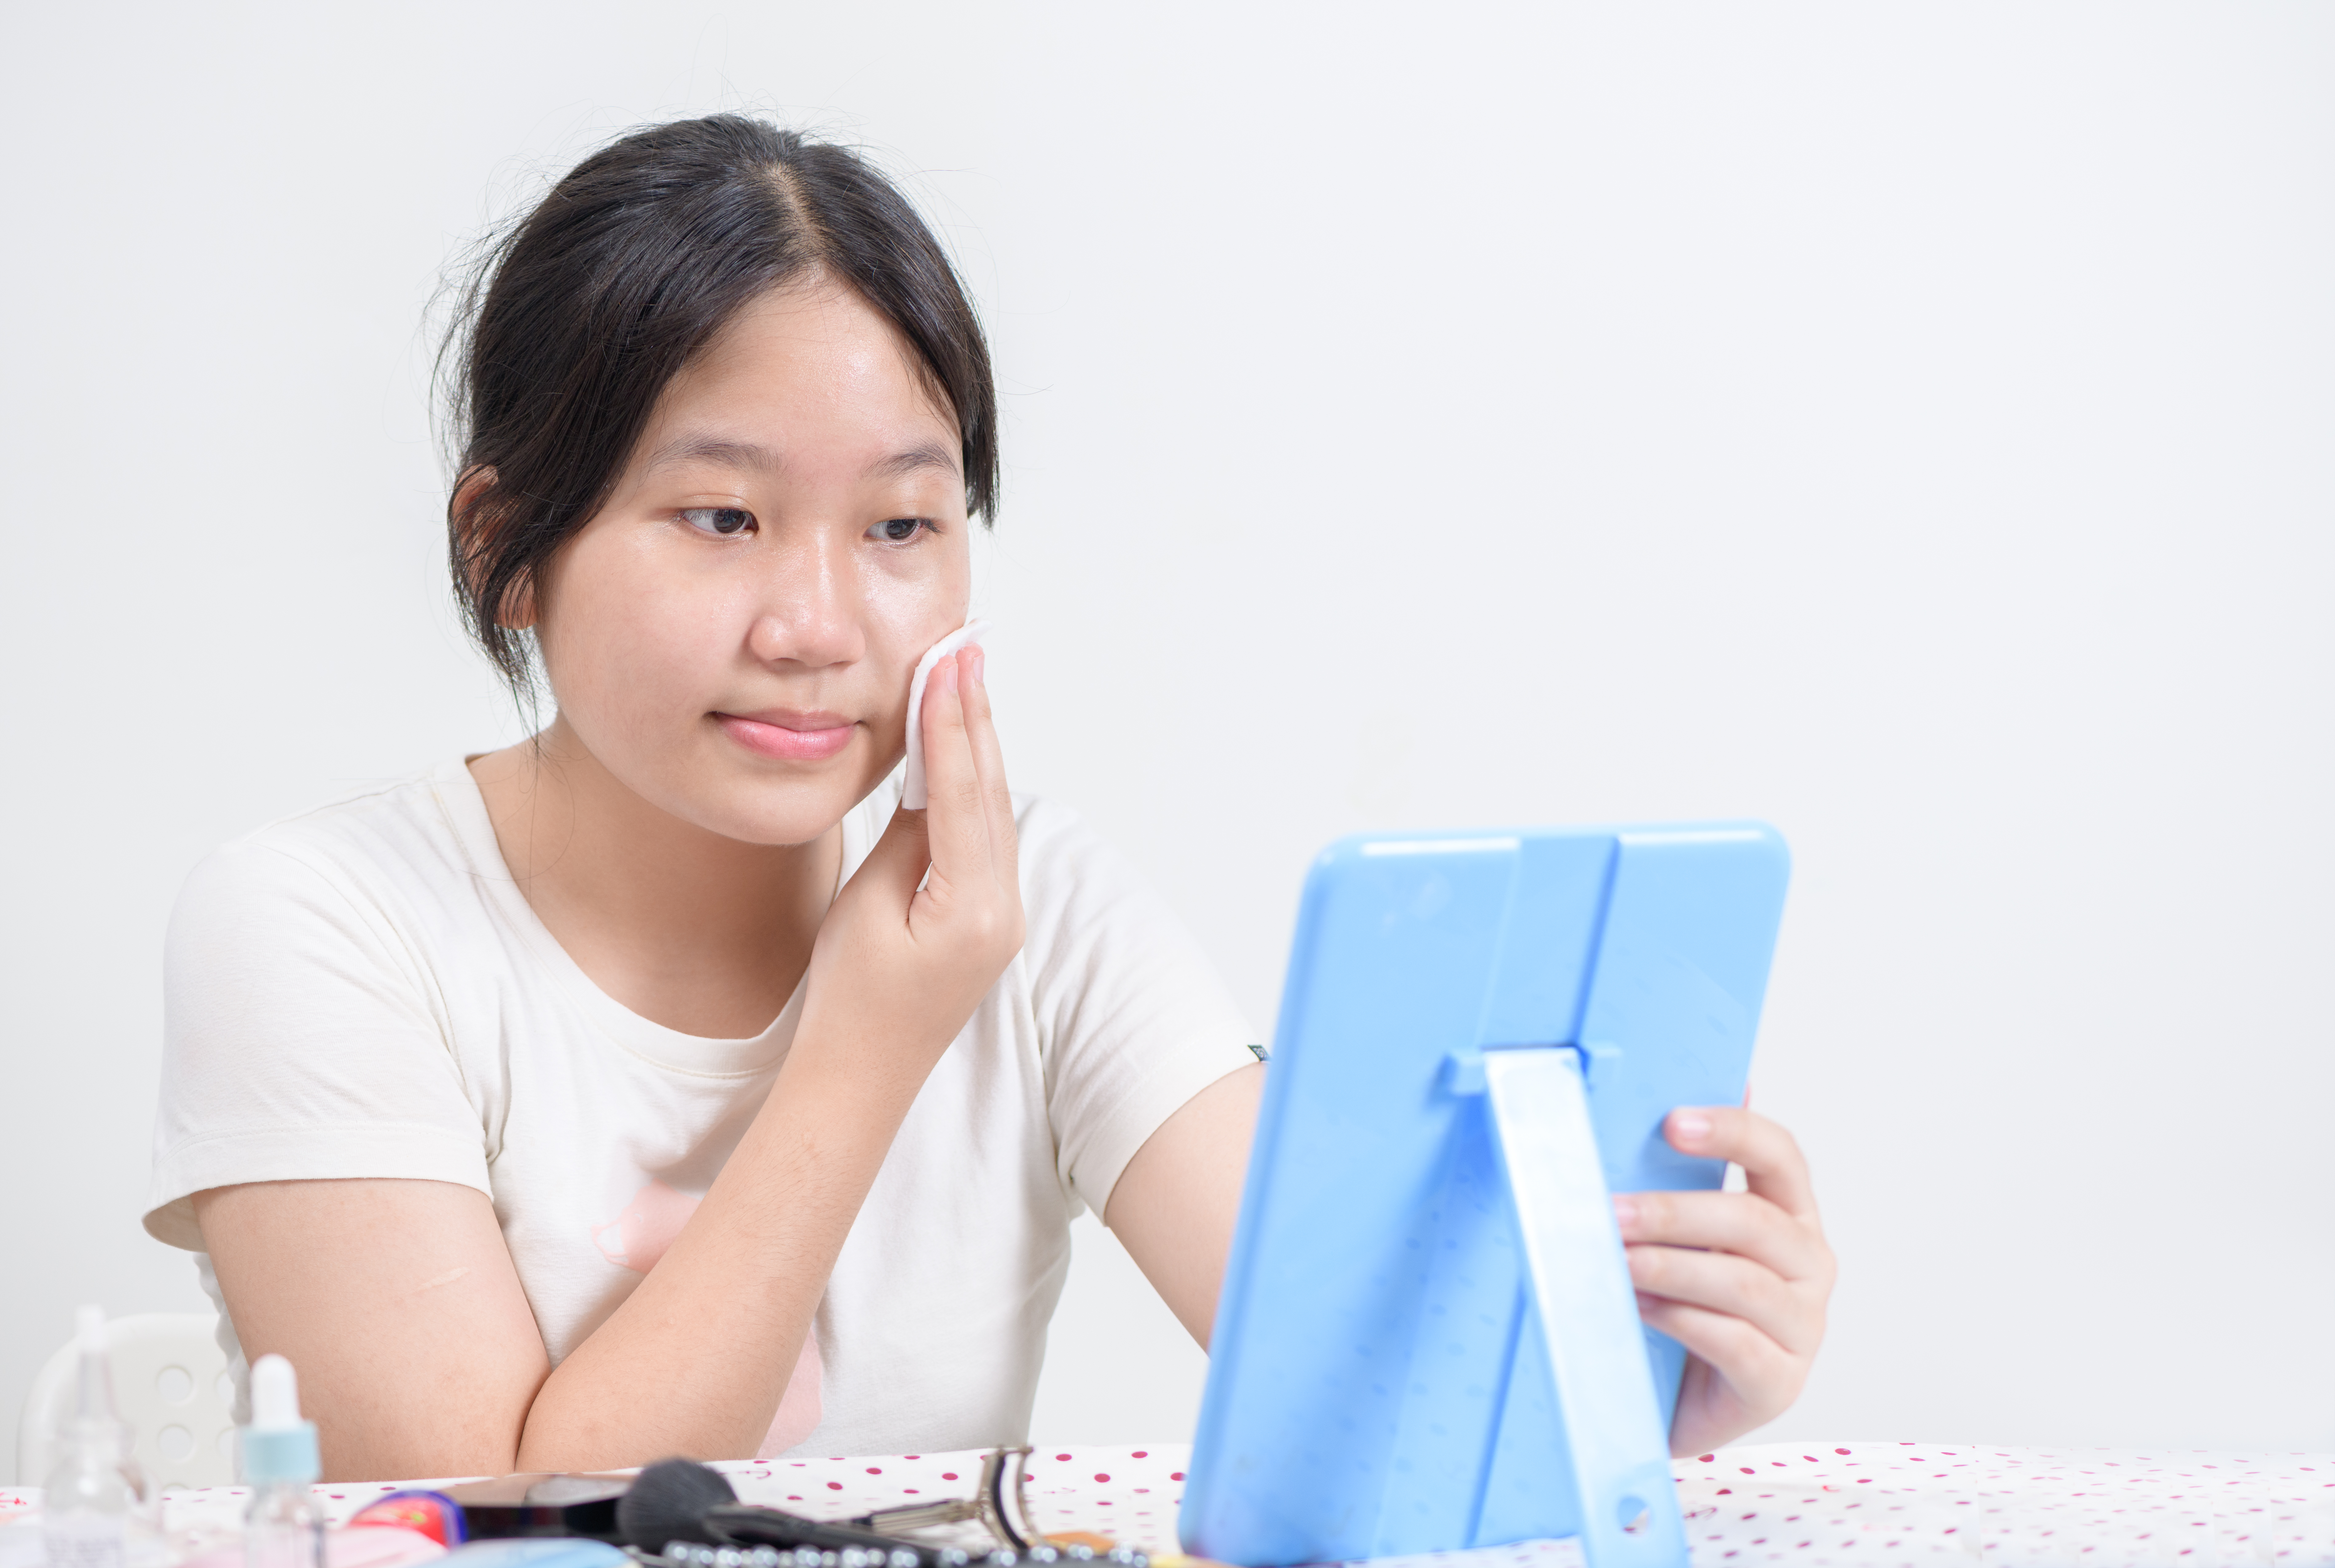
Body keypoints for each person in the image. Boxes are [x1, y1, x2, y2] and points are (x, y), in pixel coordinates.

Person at [143, 114, 1835, 1482]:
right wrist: (873, 1039)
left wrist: (1641, 1387)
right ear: (503, 552)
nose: (817, 626)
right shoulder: (323, 928)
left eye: (899, 526)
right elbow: (488, 1524)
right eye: (721, 517)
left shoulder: (1038, 910)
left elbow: (1364, 1400)